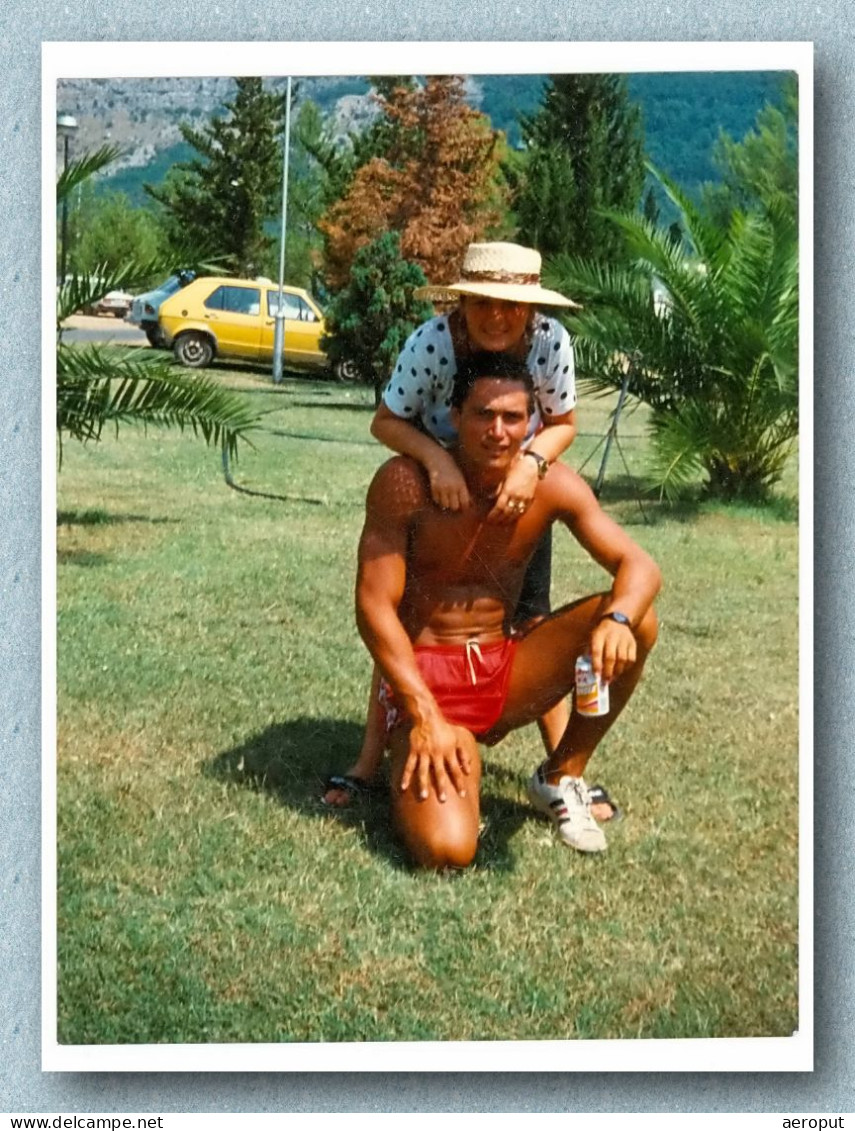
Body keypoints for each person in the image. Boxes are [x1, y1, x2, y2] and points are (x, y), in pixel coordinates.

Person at [354, 352, 661, 868]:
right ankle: (431, 751)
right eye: (483, 414)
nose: (498, 432)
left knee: (640, 620)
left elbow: (640, 566)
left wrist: (617, 619)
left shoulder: (550, 485)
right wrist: (424, 714)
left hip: (503, 672)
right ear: (455, 416)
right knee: (447, 850)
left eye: (512, 418)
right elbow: (372, 606)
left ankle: (561, 776)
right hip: (426, 687)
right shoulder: (404, 483)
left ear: (532, 424)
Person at [324, 240, 599, 809]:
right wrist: (437, 459)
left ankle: (559, 769)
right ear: (461, 303)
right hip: (437, 488)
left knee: (533, 613)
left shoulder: (551, 342)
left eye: (513, 305)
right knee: (406, 615)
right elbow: (387, 421)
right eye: (483, 304)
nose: (498, 317)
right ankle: (368, 763)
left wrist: (533, 463)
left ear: (532, 308)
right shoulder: (430, 343)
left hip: (513, 486)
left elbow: (564, 421)